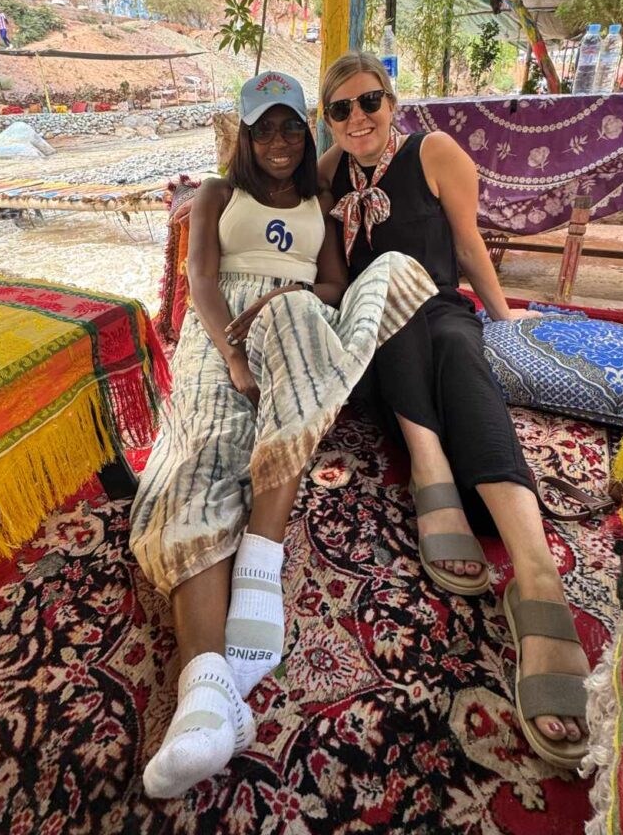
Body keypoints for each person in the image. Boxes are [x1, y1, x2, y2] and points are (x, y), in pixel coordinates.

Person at [129, 70, 437, 798]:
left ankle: (260, 566)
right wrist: (231, 356)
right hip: (218, 333)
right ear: (243, 135)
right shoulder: (217, 194)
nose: (277, 140)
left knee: (305, 322)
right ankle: (206, 698)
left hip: (291, 318)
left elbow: (332, 282)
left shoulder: (317, 202)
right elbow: (201, 278)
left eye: (289, 127)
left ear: (306, 132)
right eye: (262, 128)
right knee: (198, 455)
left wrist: (290, 295)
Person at [318, 50, 590, 770]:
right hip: (373, 339)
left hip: (441, 315)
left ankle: (534, 571)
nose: (357, 118)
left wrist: (504, 323)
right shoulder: (327, 174)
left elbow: (467, 246)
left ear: (391, 100)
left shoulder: (432, 152)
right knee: (388, 293)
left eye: (368, 101)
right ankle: (430, 461)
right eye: (339, 109)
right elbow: (271, 203)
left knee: (462, 352)